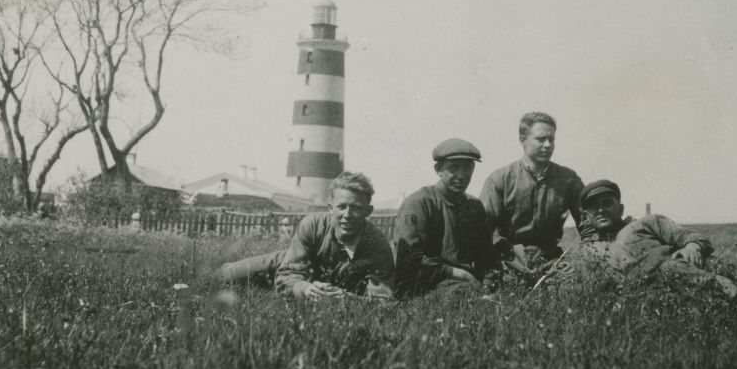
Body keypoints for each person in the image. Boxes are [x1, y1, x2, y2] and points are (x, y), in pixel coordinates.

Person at [212, 171, 395, 299]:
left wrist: (345, 298)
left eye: (356, 208)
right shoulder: (312, 225)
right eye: (341, 207)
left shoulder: (378, 245)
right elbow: (287, 274)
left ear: (368, 211)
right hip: (291, 261)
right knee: (225, 275)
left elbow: (383, 300)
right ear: (330, 208)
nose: (347, 214)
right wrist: (305, 289)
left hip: (334, 285)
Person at [578, 179, 737, 298]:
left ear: (620, 209)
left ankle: (728, 293)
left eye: (607, 203)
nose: (600, 210)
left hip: (680, 272)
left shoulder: (646, 223)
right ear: (587, 216)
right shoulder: (591, 250)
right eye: (594, 206)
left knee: (669, 268)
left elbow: (692, 237)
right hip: (647, 295)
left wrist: (692, 247)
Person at [480, 112, 586, 278]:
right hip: (507, 261)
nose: (548, 145)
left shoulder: (569, 180)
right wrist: (487, 269)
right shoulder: (500, 179)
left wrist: (580, 264)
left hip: (551, 262)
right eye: (541, 139)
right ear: (522, 140)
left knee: (572, 290)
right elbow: (481, 233)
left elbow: (588, 228)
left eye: (552, 139)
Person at [394, 138, 497, 297]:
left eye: (468, 168)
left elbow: (486, 256)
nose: (462, 175)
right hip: (427, 285)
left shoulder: (474, 206)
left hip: (465, 285)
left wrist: (488, 286)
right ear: (438, 170)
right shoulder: (419, 203)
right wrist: (458, 273)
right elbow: (409, 260)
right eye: (454, 168)